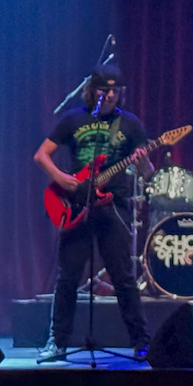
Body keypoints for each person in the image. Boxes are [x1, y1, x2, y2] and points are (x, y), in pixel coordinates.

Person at [34, 65, 152, 362]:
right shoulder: (73, 119)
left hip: (114, 207)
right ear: (92, 90)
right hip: (77, 204)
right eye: (104, 90)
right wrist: (61, 178)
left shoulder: (130, 124)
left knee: (123, 277)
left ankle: (142, 342)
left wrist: (142, 162)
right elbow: (41, 155)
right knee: (68, 277)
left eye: (115, 91)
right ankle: (57, 342)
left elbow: (148, 172)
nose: (110, 95)